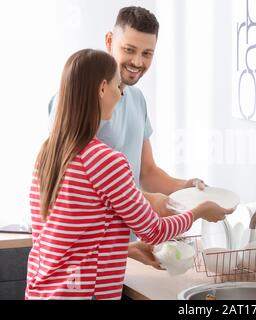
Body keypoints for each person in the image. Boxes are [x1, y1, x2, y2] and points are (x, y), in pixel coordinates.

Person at [26, 49, 233, 300]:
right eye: (117, 84)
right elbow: (155, 231)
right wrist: (200, 211)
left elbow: (63, 239)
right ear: (103, 89)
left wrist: (126, 248)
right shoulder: (105, 160)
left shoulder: (48, 152)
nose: (121, 92)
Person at [48, 7, 208, 267]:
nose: (138, 62)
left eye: (147, 54)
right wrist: (154, 202)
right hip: (85, 257)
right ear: (109, 41)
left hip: (123, 247)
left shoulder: (136, 99)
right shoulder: (74, 105)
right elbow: (72, 188)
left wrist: (188, 188)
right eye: (130, 49)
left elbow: (147, 171)